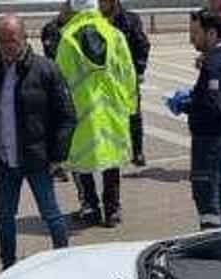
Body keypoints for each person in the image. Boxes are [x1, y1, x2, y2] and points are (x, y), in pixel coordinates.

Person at [0, 15, 76, 270]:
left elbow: (67, 116)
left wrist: (57, 156)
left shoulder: (46, 69)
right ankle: (8, 265)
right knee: (5, 217)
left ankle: (64, 262)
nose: (7, 46)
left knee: (50, 213)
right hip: (4, 158)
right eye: (2, 40)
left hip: (36, 159)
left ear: (24, 38)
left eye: (12, 40)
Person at [55, 0, 137, 228]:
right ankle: (112, 210)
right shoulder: (114, 35)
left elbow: (60, 79)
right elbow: (128, 72)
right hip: (112, 109)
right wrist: (130, 106)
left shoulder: (68, 37)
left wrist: (60, 114)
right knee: (112, 160)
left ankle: (90, 207)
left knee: (79, 162)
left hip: (81, 111)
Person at [187, 9, 221, 230]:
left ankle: (211, 247)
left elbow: (212, 106)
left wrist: (187, 104)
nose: (191, 39)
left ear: (211, 33)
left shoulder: (214, 65)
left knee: (207, 194)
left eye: (195, 33)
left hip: (209, 141)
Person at [100, 0, 150, 167]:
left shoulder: (130, 20)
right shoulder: (97, 19)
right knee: (105, 114)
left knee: (133, 114)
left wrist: (140, 70)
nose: (100, 4)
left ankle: (138, 152)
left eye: (103, 2)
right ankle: (110, 149)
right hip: (104, 77)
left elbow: (143, 44)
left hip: (126, 75)